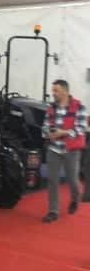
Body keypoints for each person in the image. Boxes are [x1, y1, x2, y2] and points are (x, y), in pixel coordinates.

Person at [41, 79, 86, 222]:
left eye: (56, 90)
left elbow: (81, 129)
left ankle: (75, 198)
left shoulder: (79, 107)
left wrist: (63, 133)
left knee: (72, 180)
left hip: (71, 150)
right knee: (52, 180)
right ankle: (53, 211)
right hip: (54, 149)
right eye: (53, 90)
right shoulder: (51, 108)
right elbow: (45, 126)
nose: (53, 93)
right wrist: (48, 133)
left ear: (65, 91)